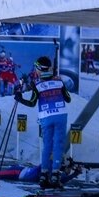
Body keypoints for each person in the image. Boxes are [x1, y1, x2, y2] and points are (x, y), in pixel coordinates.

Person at [13, 56, 71, 189]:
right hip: (61, 116)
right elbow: (68, 99)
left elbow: (32, 103)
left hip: (46, 117)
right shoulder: (59, 81)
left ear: (39, 69)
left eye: (36, 68)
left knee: (47, 146)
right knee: (58, 145)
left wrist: (19, 98)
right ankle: (55, 174)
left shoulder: (36, 84)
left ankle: (44, 175)